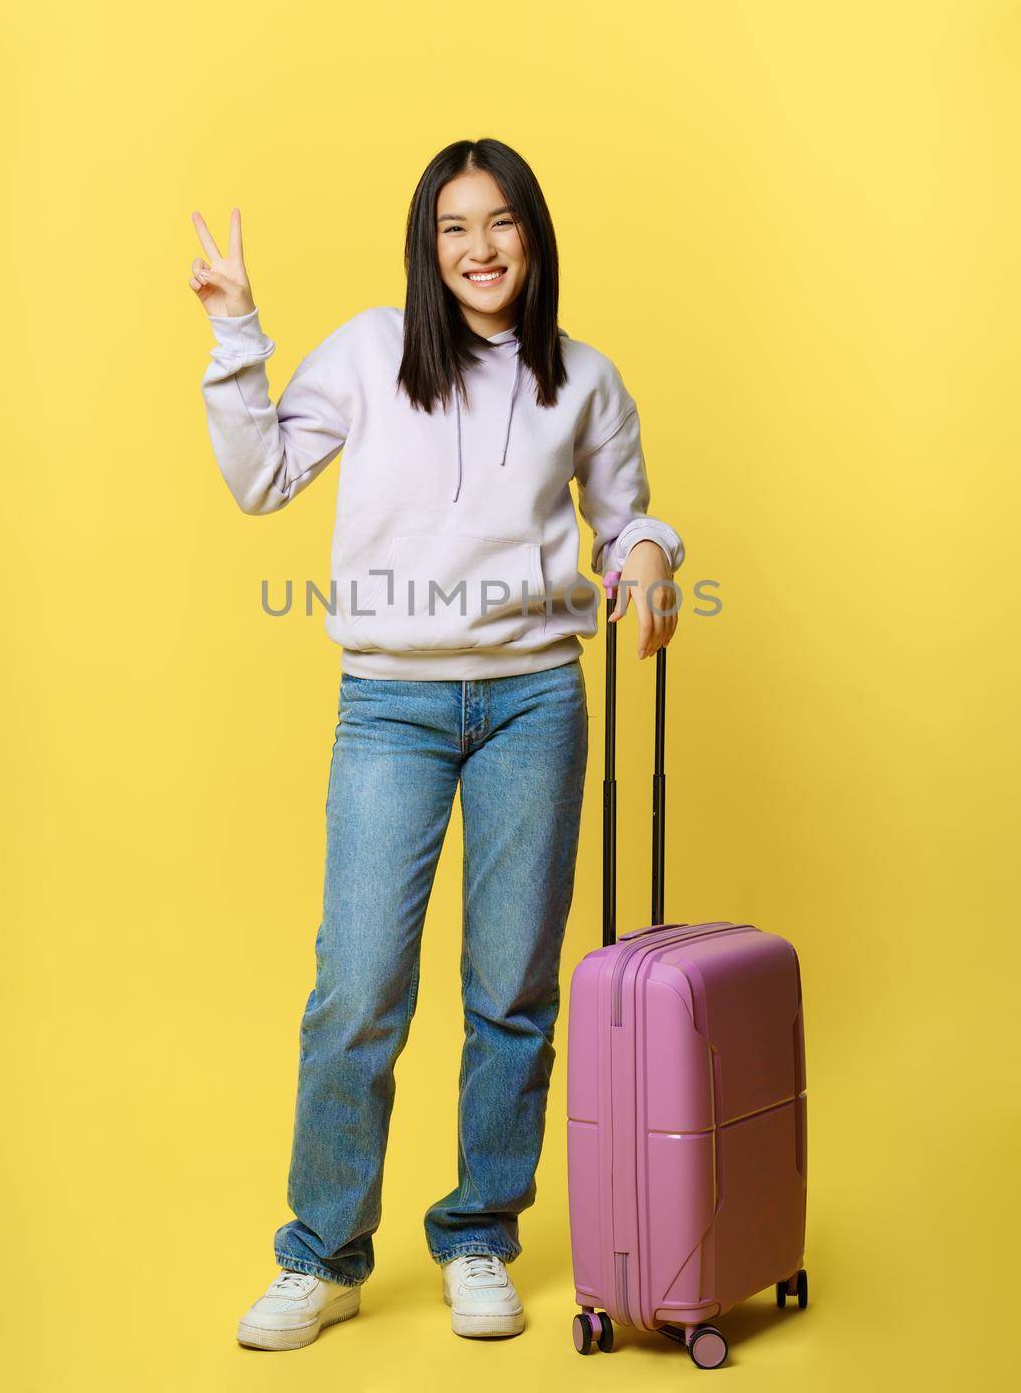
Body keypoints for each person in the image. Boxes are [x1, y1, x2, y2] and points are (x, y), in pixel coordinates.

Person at [191, 137, 684, 1351]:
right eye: (455, 226)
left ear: (533, 235)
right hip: (390, 706)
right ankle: (324, 1253)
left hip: (532, 701)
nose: (480, 248)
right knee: (357, 985)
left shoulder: (582, 378)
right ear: (427, 241)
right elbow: (260, 481)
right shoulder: (367, 352)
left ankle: (477, 1234)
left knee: (509, 991)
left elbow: (625, 516)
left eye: (500, 222)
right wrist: (236, 332)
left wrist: (648, 555)